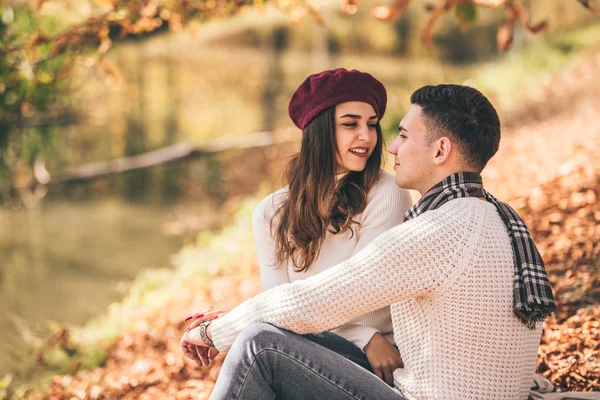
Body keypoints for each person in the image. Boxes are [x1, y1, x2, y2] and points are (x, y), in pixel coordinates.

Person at [181, 84, 557, 400]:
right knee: (266, 334)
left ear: (440, 151)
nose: (390, 147)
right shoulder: (489, 214)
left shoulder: (439, 231)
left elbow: (312, 303)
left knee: (258, 345)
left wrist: (213, 332)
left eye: (404, 136)